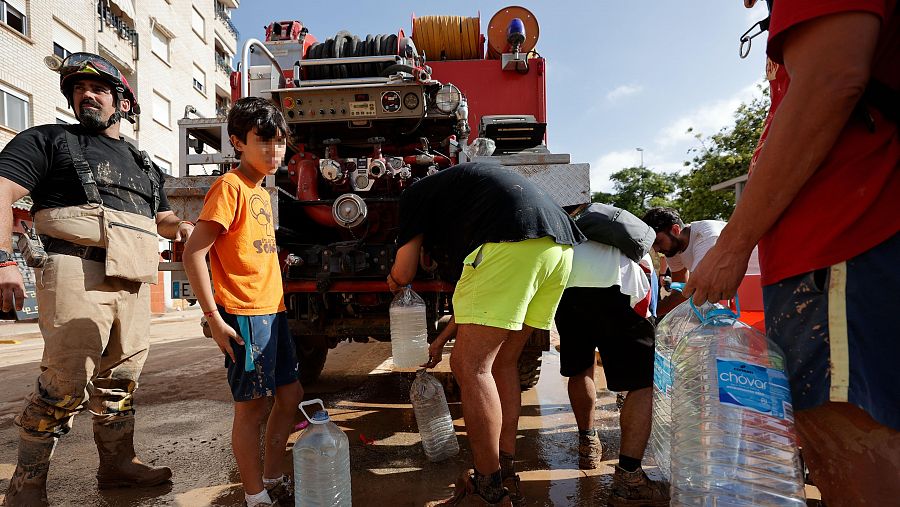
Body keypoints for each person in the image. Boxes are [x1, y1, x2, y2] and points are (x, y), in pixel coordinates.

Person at [685, 1, 900, 504]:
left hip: (843, 238)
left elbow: (832, 79)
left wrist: (732, 246)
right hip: (843, 246)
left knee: (848, 441)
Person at [0, 53, 193, 506]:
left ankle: (118, 466)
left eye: (99, 88)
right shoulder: (46, 140)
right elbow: (3, 190)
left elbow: (161, 216)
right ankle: (26, 484)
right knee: (66, 381)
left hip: (133, 276)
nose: (86, 94)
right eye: (77, 89)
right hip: (74, 268)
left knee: (122, 378)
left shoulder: (143, 163)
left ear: (122, 101)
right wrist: (3, 260)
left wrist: (181, 228)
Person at [388, 162, 583, 507]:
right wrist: (442, 338)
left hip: (509, 244)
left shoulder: (412, 196)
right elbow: (477, 308)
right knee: (502, 363)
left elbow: (404, 271)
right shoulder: (461, 191)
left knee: (471, 367)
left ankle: (488, 488)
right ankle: (503, 469)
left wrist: (393, 280)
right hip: (557, 249)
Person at [182, 97, 303, 507]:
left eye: (280, 142)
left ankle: (272, 475)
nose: (274, 150)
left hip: (273, 311)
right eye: (263, 140)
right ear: (237, 141)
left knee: (290, 396)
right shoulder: (229, 187)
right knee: (251, 408)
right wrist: (214, 318)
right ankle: (255, 496)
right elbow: (193, 253)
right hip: (244, 313)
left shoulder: (261, 191)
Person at [553, 204, 668, 507]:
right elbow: (646, 294)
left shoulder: (572, 237)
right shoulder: (632, 241)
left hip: (569, 293)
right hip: (616, 291)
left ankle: (587, 443)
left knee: (581, 370)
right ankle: (629, 478)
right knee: (643, 383)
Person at [641, 207, 758, 317]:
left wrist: (649, 312)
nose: (656, 249)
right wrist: (646, 313)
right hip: (738, 296)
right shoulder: (673, 247)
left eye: (658, 241)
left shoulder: (706, 237)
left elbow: (697, 291)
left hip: (754, 290)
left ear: (675, 230)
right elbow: (680, 294)